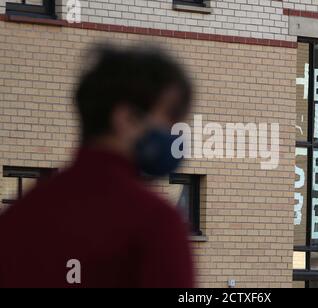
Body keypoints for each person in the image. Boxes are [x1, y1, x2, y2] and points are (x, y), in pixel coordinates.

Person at [0, 44, 194, 288]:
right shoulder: (155, 223)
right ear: (126, 118)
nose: (177, 130)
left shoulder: (18, 216)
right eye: (171, 115)